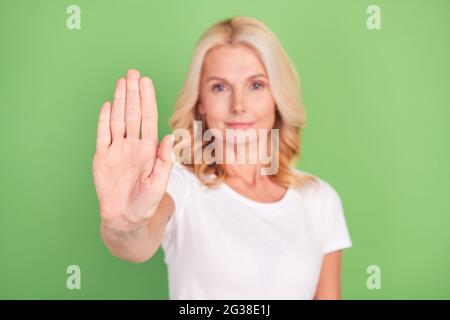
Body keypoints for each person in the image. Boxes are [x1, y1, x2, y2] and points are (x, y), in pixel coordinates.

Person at [92, 16, 352, 300]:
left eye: (256, 85)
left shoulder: (320, 200)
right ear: (200, 101)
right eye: (220, 87)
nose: (238, 105)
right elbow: (135, 245)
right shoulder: (180, 186)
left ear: (277, 96)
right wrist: (124, 224)